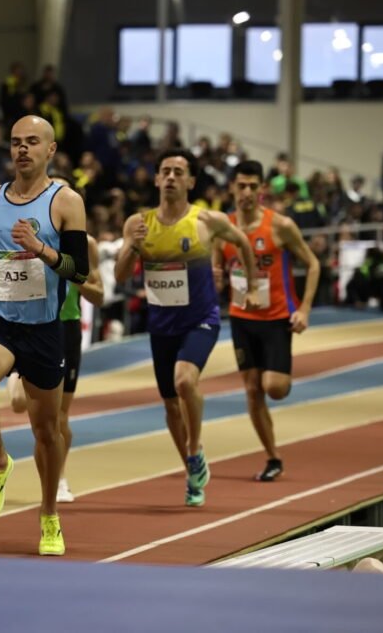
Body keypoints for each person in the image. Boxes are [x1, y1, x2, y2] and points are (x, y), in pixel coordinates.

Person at [0, 116, 89, 556]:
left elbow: (79, 270)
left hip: (44, 327)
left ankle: (49, 514)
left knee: (47, 431)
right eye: (15, 143)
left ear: (50, 150)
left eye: (32, 142)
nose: (22, 150)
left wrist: (42, 249)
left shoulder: (66, 202)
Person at [115, 149, 258, 507]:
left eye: (179, 172)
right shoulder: (138, 223)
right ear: (156, 179)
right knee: (170, 406)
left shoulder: (207, 221)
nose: (172, 177)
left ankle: (195, 450)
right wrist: (132, 247)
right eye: (165, 171)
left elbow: (242, 242)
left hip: (200, 320)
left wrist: (248, 285)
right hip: (161, 325)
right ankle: (193, 475)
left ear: (191, 181)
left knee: (184, 381)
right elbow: (118, 278)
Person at [212, 160, 320, 482]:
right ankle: (273, 456)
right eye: (240, 186)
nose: (246, 192)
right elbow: (218, 271)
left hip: (275, 318)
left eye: (252, 186)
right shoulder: (223, 229)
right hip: (242, 319)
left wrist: (304, 310)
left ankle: (281, 371)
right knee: (251, 390)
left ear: (261, 189)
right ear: (232, 188)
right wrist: (216, 277)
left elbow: (313, 264)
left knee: (274, 388)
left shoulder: (280, 226)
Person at [8, 179, 104, 503]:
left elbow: (100, 294)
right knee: (21, 405)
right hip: (28, 324)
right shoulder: (24, 233)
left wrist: (73, 275)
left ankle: (57, 478)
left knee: (58, 418)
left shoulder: (86, 244)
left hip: (65, 328)